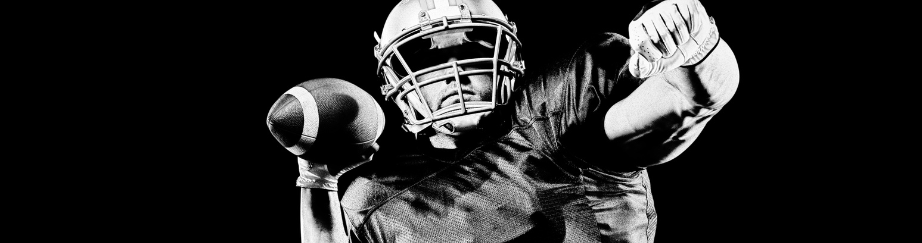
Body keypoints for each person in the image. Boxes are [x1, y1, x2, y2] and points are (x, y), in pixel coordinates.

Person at [269, 0, 739, 242]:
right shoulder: (373, 194)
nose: (454, 73)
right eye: (426, 57)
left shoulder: (555, 122)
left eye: (471, 48)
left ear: (508, 52)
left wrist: (696, 50)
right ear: (394, 74)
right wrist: (317, 181)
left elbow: (687, 99)